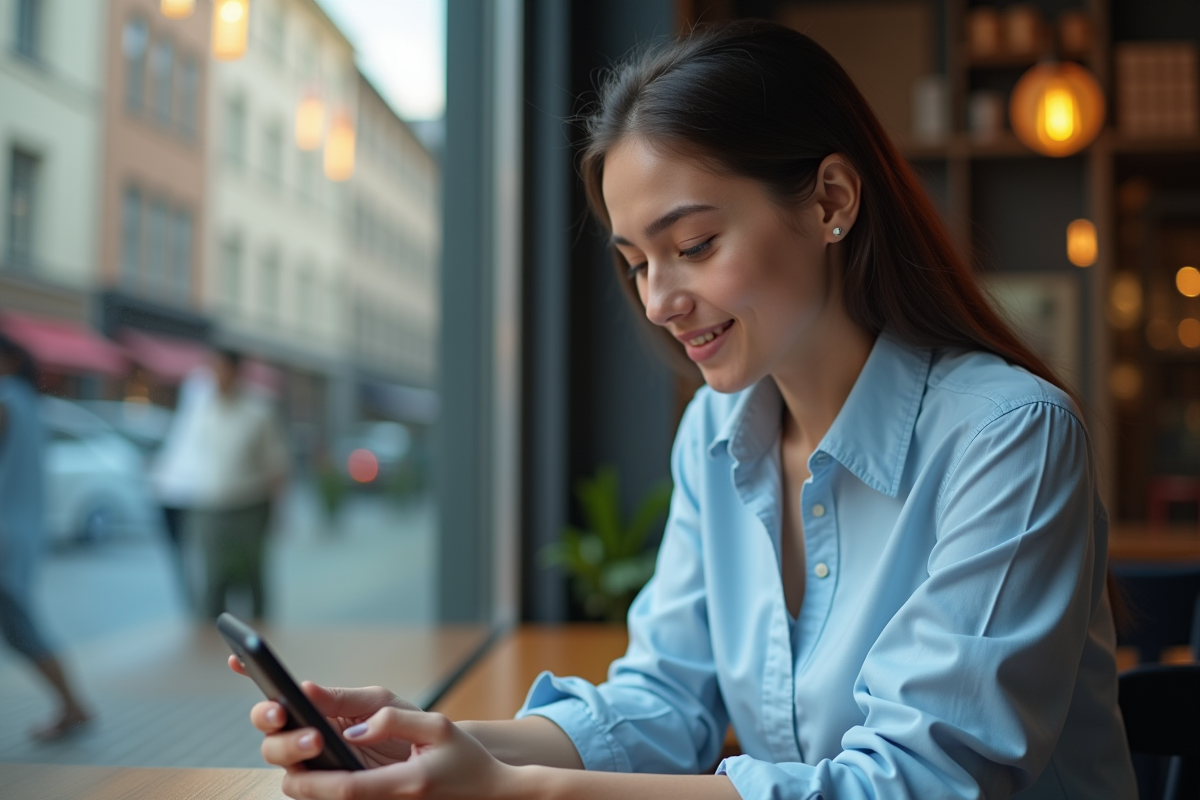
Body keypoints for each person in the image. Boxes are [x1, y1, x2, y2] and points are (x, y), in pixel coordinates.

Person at [233, 21, 1137, 799]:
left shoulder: (1008, 438)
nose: (660, 301)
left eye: (694, 244)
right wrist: (426, 742)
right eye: (636, 262)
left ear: (831, 201)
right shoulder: (716, 431)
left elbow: (916, 782)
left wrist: (521, 790)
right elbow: (663, 701)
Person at [0, 334, 92, 741]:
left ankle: (73, 706)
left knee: (21, 627)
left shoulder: (6, 400)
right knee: (20, 626)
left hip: (5, 534)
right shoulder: (27, 402)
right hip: (19, 531)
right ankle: (73, 705)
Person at [189, 349, 289, 620]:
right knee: (214, 579)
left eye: (222, 370)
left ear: (236, 372)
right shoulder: (201, 411)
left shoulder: (259, 413)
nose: (217, 377)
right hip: (210, 506)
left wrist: (279, 511)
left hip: (250, 506)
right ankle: (213, 636)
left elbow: (277, 464)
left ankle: (259, 635)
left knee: (253, 576)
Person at [150, 363, 216, 609]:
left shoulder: (188, 419)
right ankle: (198, 611)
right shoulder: (201, 419)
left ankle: (196, 610)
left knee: (187, 562)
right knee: (195, 562)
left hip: (174, 493)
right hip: (187, 496)